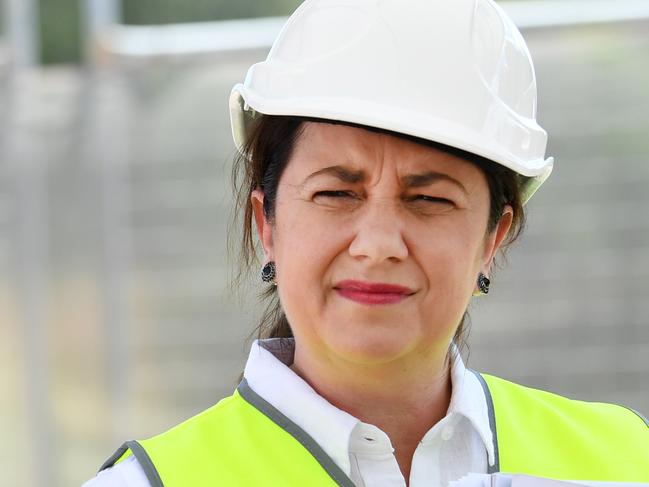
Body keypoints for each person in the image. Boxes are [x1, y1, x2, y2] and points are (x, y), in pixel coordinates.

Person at [83, 0, 649, 486]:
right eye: (336, 193)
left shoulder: (622, 461)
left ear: (492, 238)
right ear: (268, 224)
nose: (378, 245)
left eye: (428, 200)